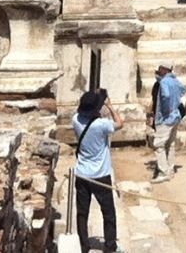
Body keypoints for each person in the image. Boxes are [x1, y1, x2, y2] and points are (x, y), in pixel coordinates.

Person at [71, 89, 118, 252]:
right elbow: (120, 123)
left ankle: (84, 246)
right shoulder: (102, 124)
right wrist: (110, 106)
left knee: (82, 212)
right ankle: (110, 246)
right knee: (109, 213)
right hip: (101, 174)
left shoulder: (76, 120)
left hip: (82, 173)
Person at [147, 64, 185, 182]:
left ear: (164, 69)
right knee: (170, 144)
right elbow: (183, 90)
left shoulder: (164, 82)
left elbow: (166, 96)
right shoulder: (176, 81)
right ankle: (170, 169)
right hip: (176, 116)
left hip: (165, 118)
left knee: (159, 145)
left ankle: (163, 172)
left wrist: (166, 110)